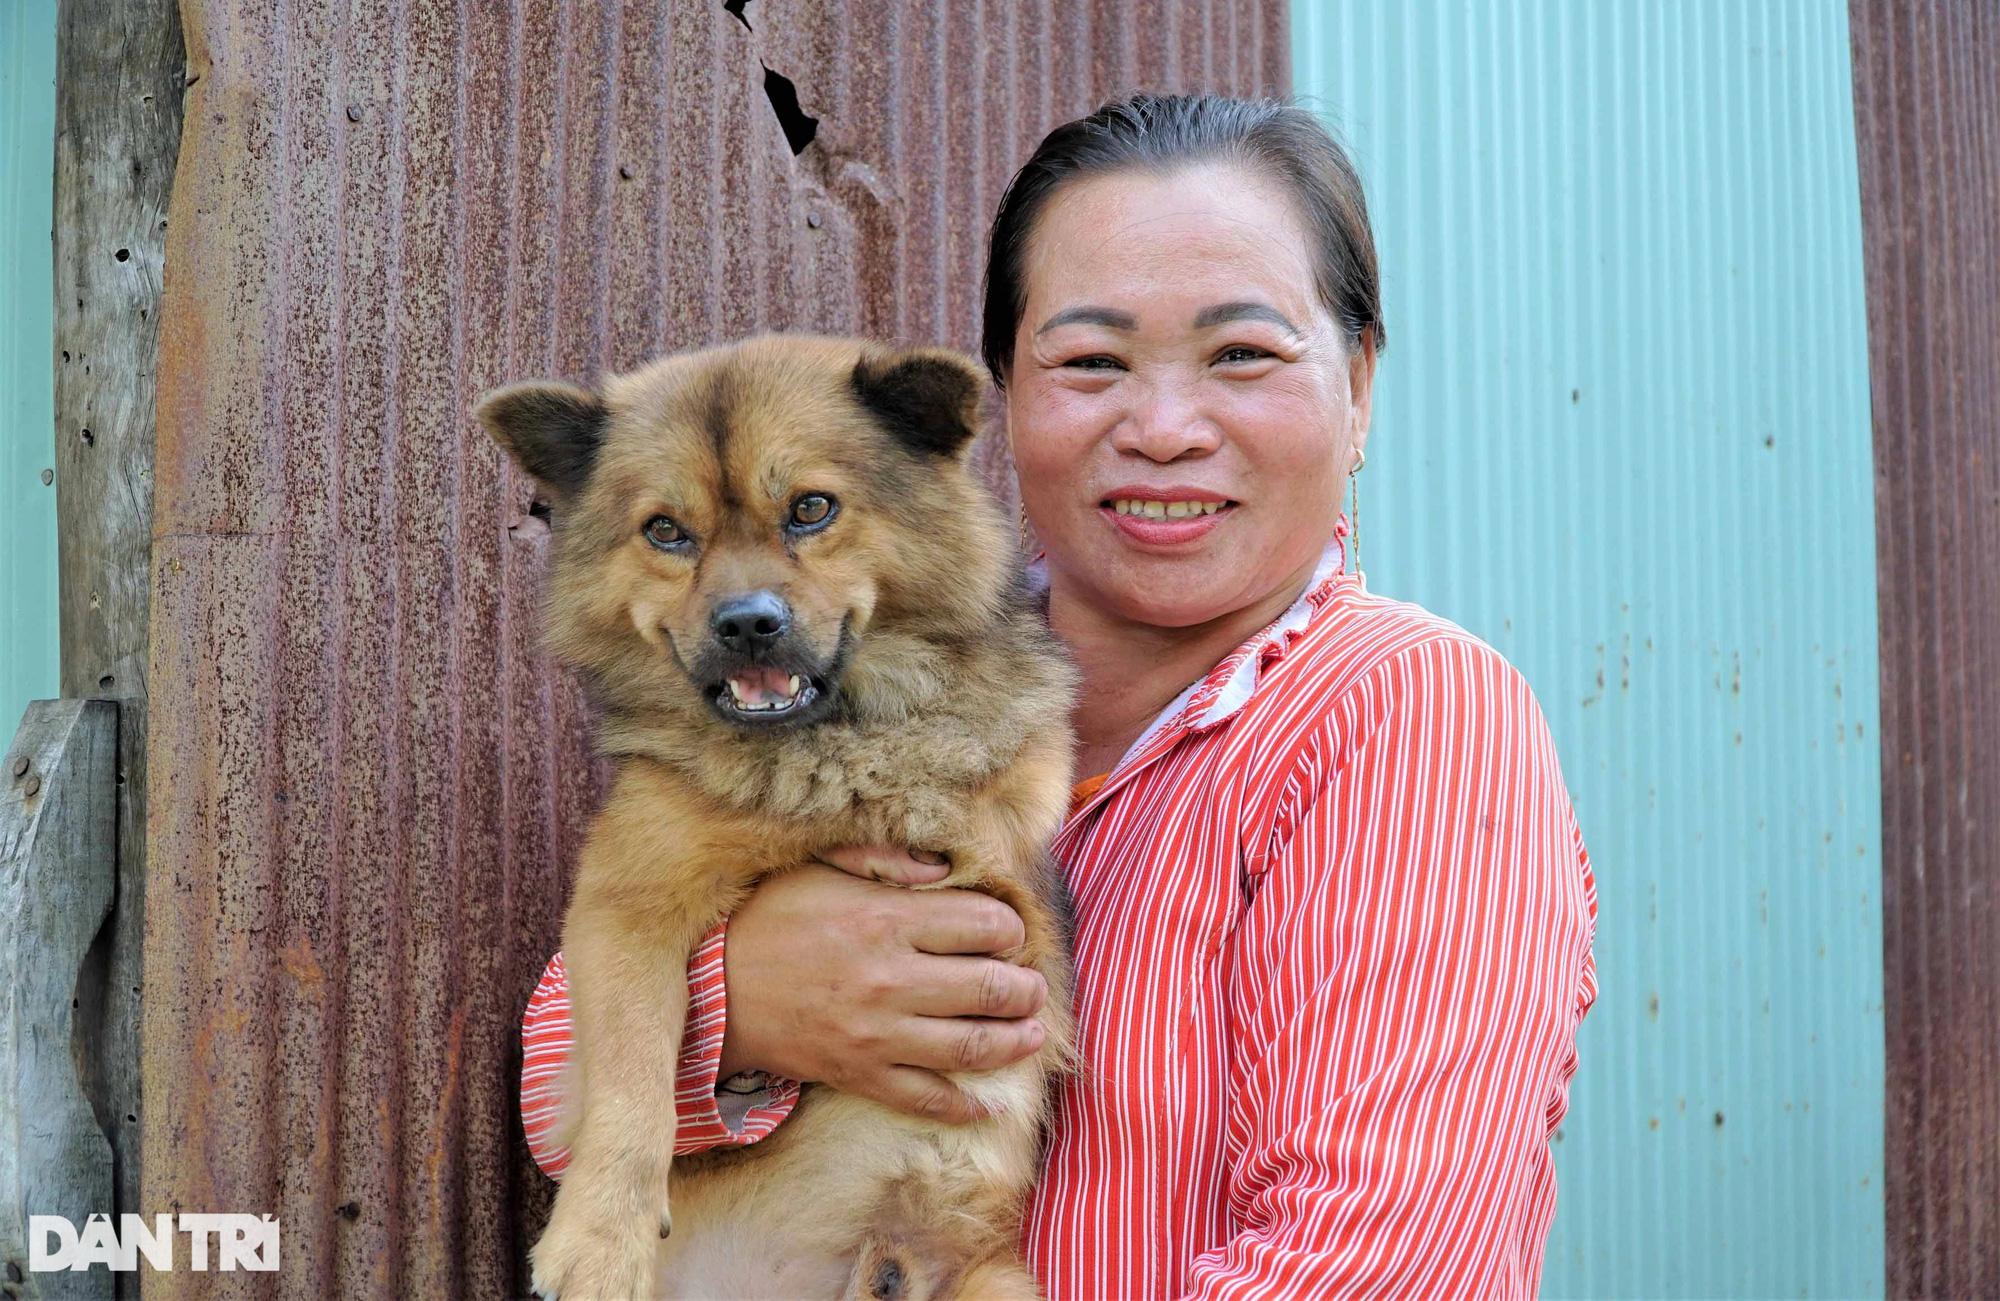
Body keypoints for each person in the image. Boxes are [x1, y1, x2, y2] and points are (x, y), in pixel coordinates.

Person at [521, 93, 1597, 1299]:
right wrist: (745, 1004)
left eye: (1241, 352)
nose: (1164, 427)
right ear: (1003, 402)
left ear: (1356, 384)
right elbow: (556, 1108)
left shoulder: (1406, 718)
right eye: (1090, 362)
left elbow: (1376, 1263)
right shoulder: (860, 694)